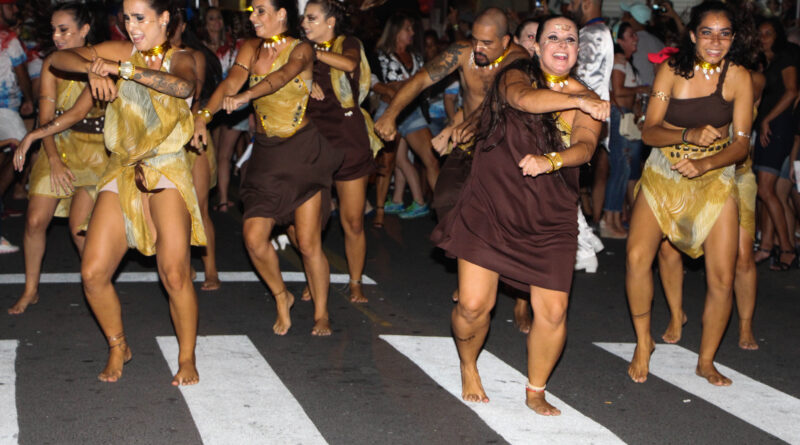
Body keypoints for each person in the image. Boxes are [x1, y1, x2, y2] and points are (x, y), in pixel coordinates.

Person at [431, 16, 608, 415]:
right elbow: (525, 102)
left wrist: (554, 159)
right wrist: (578, 100)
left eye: (570, 39)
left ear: (578, 50)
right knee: (474, 306)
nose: (562, 45)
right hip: (492, 205)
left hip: (550, 215)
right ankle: (468, 363)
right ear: (537, 46)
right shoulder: (515, 76)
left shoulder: (588, 99)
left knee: (554, 310)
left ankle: (536, 389)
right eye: (553, 38)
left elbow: (585, 146)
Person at [46, 0, 207, 385]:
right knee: (93, 271)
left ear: (164, 19)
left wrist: (123, 70)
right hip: (121, 169)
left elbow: (183, 86)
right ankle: (119, 345)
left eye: (141, 18)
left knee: (174, 273)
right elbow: (59, 58)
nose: (131, 27)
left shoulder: (182, 58)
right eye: (127, 18)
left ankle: (187, 357)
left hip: (166, 168)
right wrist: (92, 68)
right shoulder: (119, 50)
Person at [375, 8, 532, 330]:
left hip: (505, 148)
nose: (479, 49)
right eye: (475, 40)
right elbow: (421, 79)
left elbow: (500, 104)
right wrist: (391, 114)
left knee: (514, 225)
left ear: (506, 41)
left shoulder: (518, 61)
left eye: (487, 43)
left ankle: (521, 299)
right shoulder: (462, 53)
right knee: (446, 200)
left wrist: (462, 124)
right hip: (468, 145)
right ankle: (472, 270)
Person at [193, 0, 342, 336]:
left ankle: (321, 313)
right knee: (254, 237)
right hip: (268, 156)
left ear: (281, 16)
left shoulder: (301, 48)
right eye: (252, 11)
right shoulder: (250, 47)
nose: (254, 17)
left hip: (303, 154)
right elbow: (231, 82)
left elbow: (281, 77)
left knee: (307, 243)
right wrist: (203, 116)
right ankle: (281, 295)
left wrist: (248, 97)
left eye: (261, 10)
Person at [626, 1, 754, 386]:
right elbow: (649, 131)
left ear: (733, 37)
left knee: (721, 277)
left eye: (724, 33)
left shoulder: (739, 78)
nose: (715, 41)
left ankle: (706, 360)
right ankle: (643, 342)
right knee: (635, 257)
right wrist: (687, 135)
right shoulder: (671, 70)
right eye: (707, 32)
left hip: (714, 178)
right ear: (694, 35)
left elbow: (741, 144)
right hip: (664, 171)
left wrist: (704, 163)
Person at [8, 2, 109, 315]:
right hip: (56, 143)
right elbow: (45, 117)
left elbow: (82, 110)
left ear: (84, 30)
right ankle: (30, 290)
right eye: (53, 29)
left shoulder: (104, 62)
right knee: (36, 219)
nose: (57, 35)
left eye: (63, 29)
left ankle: (98, 287)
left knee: (80, 228)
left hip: (94, 152)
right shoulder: (52, 63)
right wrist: (52, 159)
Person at [300, 0, 380, 303]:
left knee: (353, 220)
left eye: (311, 18)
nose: (305, 24)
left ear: (330, 22)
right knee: (308, 221)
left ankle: (356, 281)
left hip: (348, 136)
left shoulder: (348, 43)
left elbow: (349, 64)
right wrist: (302, 80)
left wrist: (309, 53)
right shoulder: (296, 51)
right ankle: (314, 277)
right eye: (304, 19)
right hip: (311, 139)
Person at [172, 8, 222, 291]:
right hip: (161, 139)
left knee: (200, 208)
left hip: (192, 135)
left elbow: (194, 94)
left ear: (180, 25)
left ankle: (211, 269)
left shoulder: (195, 56)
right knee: (171, 207)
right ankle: (181, 262)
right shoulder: (145, 56)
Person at [372, 12, 439, 220]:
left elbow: (421, 86)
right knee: (390, 161)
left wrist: (400, 87)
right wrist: (397, 88)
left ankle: (443, 212)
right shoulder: (379, 55)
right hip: (388, 112)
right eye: (407, 29)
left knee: (431, 158)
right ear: (395, 32)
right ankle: (381, 211)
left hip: (412, 112)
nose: (412, 33)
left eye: (411, 29)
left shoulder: (417, 57)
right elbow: (375, 83)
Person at [752, 17, 799, 270]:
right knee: (774, 192)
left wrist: (768, 120)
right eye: (760, 33)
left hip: (778, 128)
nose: (764, 37)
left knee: (766, 190)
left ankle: (788, 249)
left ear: (778, 35)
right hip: (770, 127)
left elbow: (792, 91)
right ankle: (768, 246)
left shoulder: (785, 58)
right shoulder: (767, 63)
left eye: (768, 33)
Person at [602, 21, 649, 239]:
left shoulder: (629, 64)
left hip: (627, 119)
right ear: (619, 40)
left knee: (623, 171)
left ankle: (614, 219)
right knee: (619, 170)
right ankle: (608, 221)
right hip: (619, 117)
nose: (635, 38)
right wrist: (640, 89)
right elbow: (618, 91)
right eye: (631, 35)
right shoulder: (619, 61)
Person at [202, 6, 248, 213]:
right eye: (211, 18)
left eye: (218, 18)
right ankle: (217, 196)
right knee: (215, 150)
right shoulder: (201, 47)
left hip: (231, 106)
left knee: (225, 153)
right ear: (205, 23)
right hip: (211, 104)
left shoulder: (234, 46)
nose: (216, 22)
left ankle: (222, 199)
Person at [620, 2, 664, 87]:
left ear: (633, 19)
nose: (622, 19)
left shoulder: (631, 42)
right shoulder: (658, 42)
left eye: (625, 16)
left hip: (639, 92)